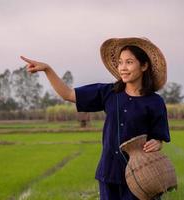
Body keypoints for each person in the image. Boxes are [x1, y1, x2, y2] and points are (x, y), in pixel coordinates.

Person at [20, 37, 170, 200]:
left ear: (144, 65)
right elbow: (68, 94)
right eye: (120, 62)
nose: (123, 68)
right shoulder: (109, 93)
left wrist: (157, 142)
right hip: (109, 173)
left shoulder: (155, 102)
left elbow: (158, 137)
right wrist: (47, 69)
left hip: (141, 175)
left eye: (129, 62)